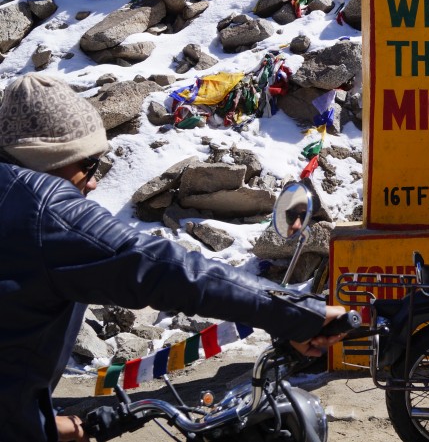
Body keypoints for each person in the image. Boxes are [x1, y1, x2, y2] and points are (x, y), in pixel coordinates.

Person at [0, 74, 350, 442]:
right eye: (88, 165)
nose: (94, 182)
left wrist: (56, 425)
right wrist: (296, 313)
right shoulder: (45, 209)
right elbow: (160, 267)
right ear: (43, 159)